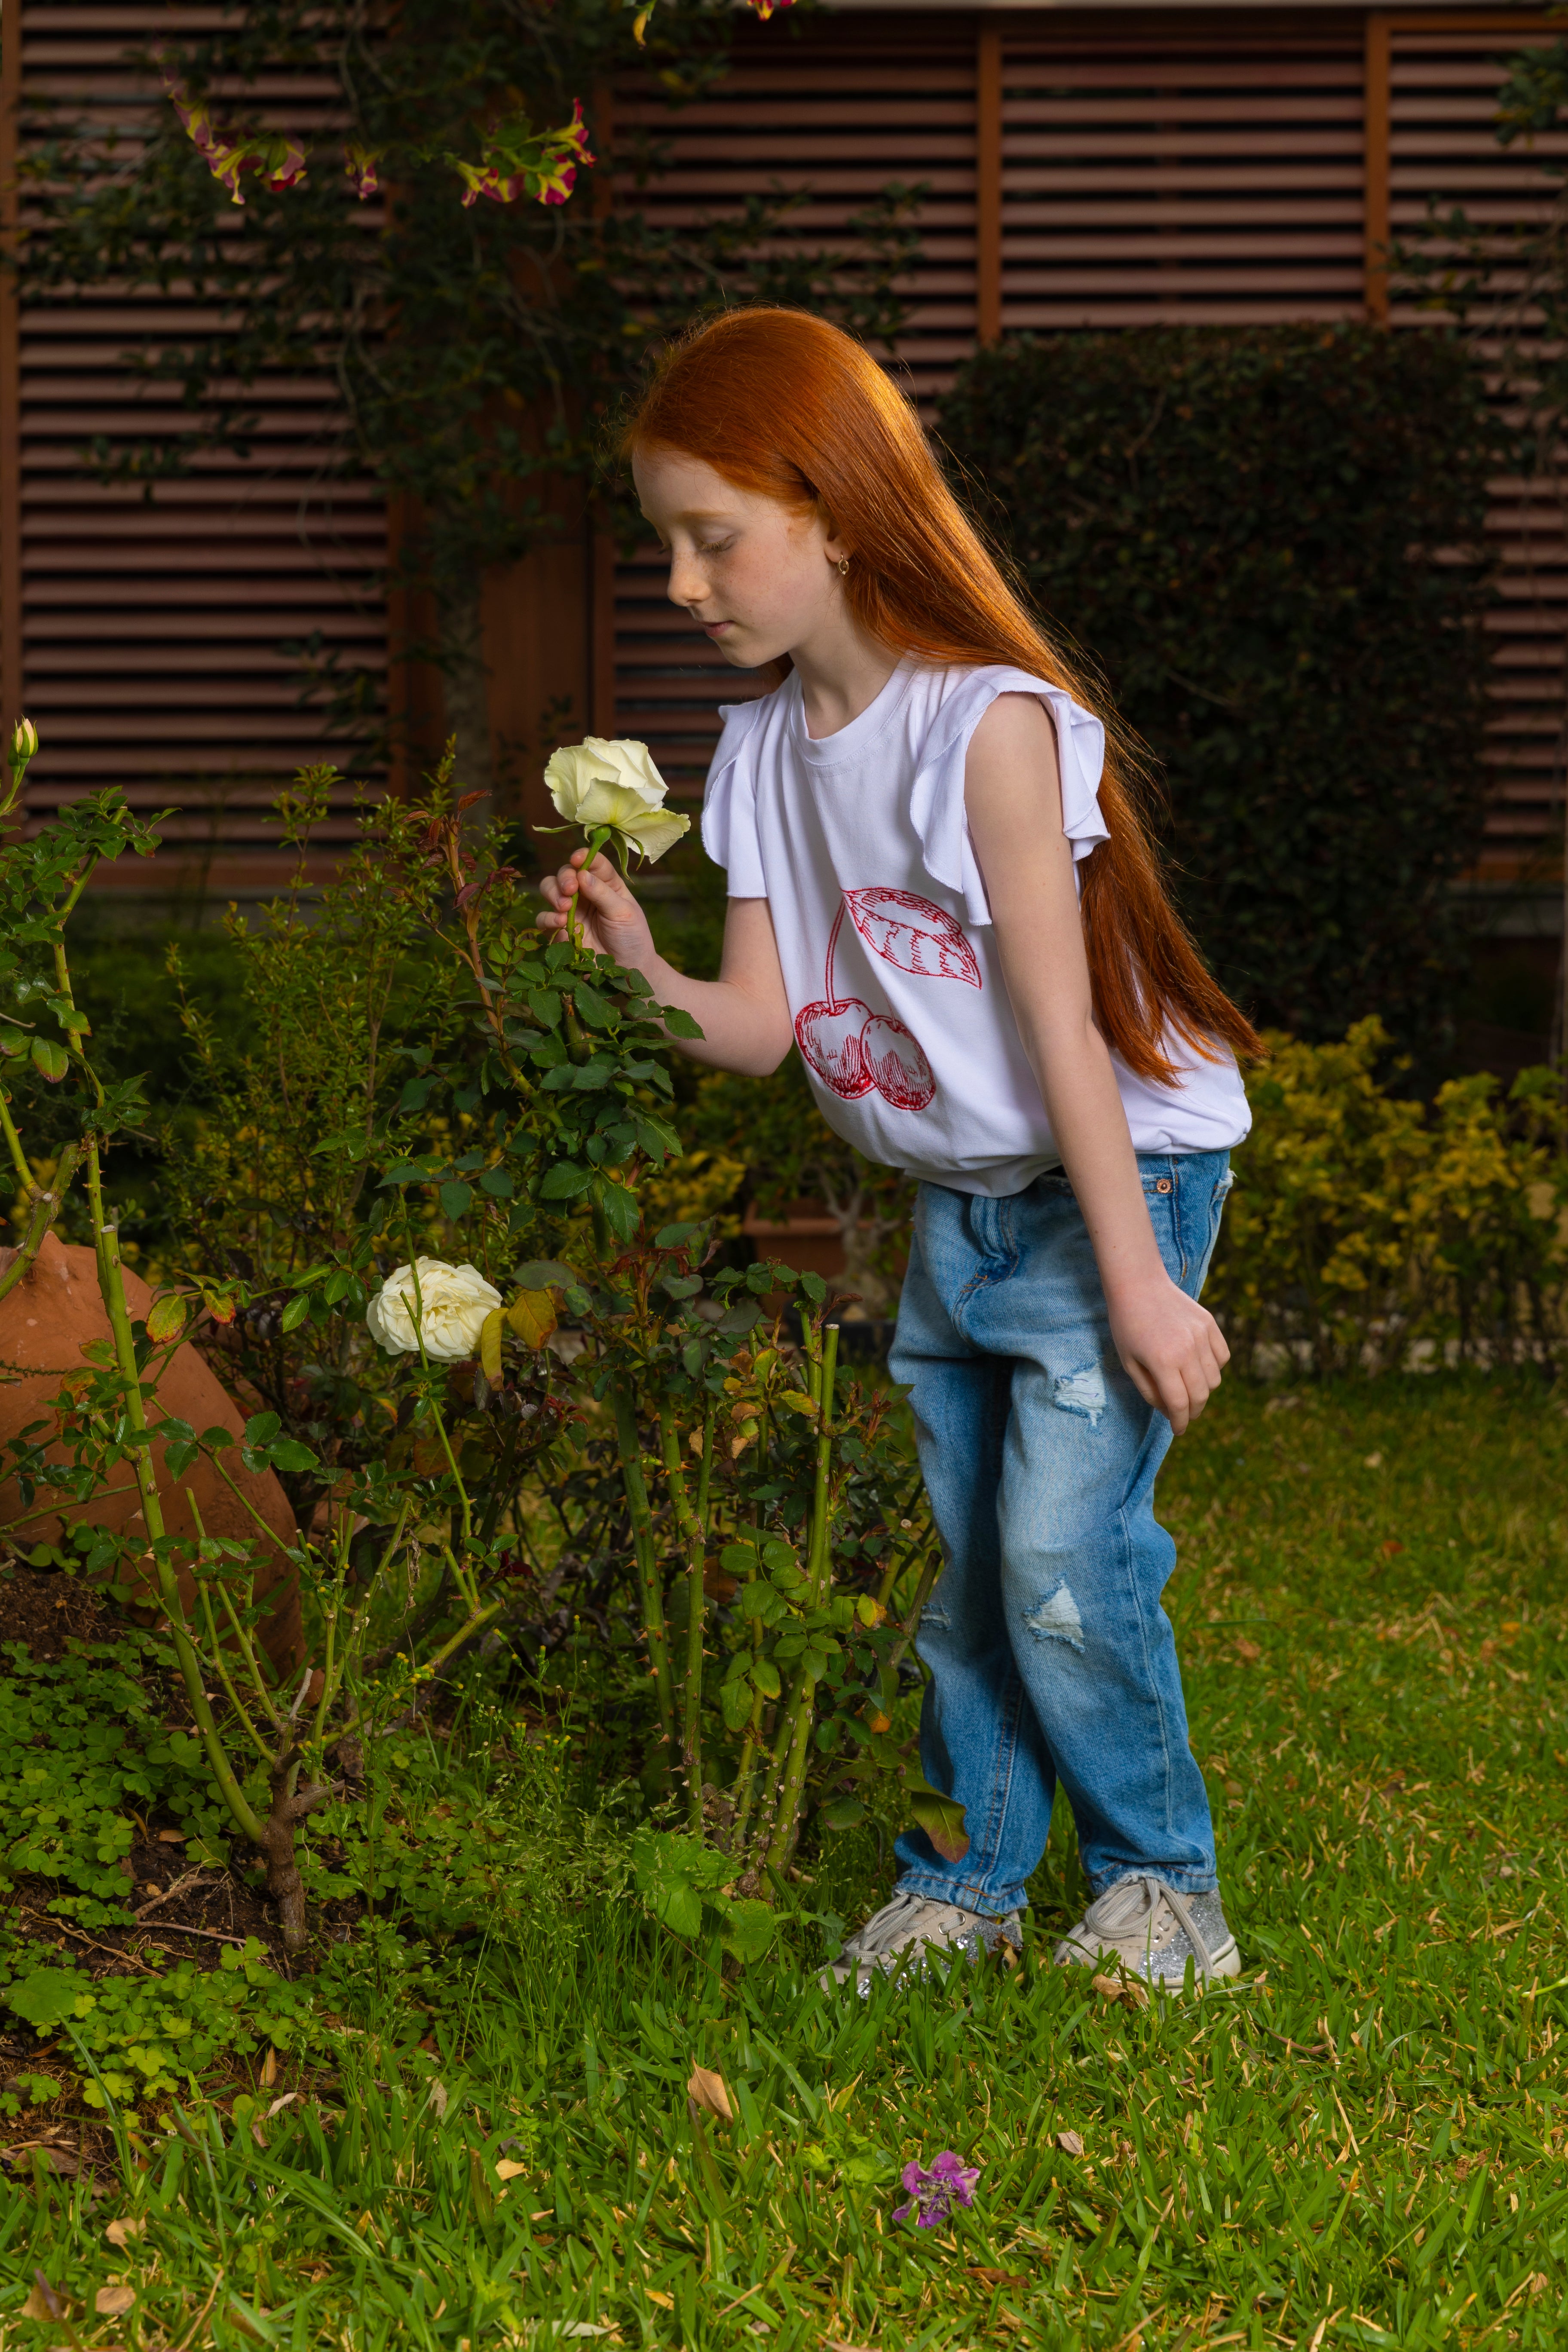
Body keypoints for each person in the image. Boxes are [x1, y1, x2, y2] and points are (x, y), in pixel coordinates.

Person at [539, 307, 1263, 1991]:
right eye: (667, 545)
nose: (680, 584)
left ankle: (1170, 1891)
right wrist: (640, 973)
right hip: (971, 1207)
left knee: (1062, 1565)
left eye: (712, 539)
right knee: (974, 1578)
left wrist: (1146, 1291)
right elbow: (760, 1024)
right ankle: (972, 1887)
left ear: (842, 513)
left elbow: (1066, 1036)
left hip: (1115, 1189)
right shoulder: (764, 755)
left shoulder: (984, 730)